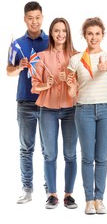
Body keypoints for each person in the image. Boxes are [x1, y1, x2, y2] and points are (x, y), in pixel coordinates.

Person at [67, 17, 107, 214]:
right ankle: (89, 200)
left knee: (101, 157)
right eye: (90, 34)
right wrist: (71, 86)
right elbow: (72, 92)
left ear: (102, 35)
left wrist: (105, 66)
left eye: (97, 33)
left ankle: (99, 199)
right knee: (87, 157)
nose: (94, 37)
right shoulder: (76, 60)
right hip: (84, 110)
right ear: (84, 36)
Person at [31, 17, 78, 209]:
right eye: (57, 30)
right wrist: (46, 84)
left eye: (64, 31)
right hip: (47, 110)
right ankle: (52, 194)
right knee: (49, 154)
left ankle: (68, 195)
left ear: (68, 33)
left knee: (70, 154)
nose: (60, 34)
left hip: (71, 109)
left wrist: (70, 80)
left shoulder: (77, 56)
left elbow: (83, 85)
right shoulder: (40, 57)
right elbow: (35, 86)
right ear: (51, 33)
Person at [6, 1, 49, 204]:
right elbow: (8, 70)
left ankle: (50, 189)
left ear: (42, 18)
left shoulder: (50, 41)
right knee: (26, 147)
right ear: (25, 19)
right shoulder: (17, 44)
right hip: (25, 102)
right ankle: (27, 188)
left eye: (37, 17)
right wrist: (19, 68)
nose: (34, 21)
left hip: (47, 100)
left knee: (48, 148)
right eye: (30, 18)